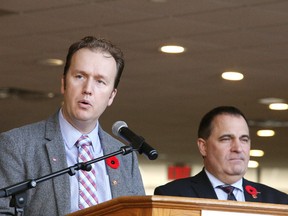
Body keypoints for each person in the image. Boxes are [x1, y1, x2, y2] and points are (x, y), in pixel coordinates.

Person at [0, 36, 145, 215]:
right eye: (79, 76)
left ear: (112, 96)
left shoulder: (125, 157)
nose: (88, 89)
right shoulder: (17, 145)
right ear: (64, 83)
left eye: (100, 81)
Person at [154, 106, 288, 204]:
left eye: (244, 139)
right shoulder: (173, 196)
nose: (238, 148)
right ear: (203, 147)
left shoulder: (279, 202)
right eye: (226, 139)